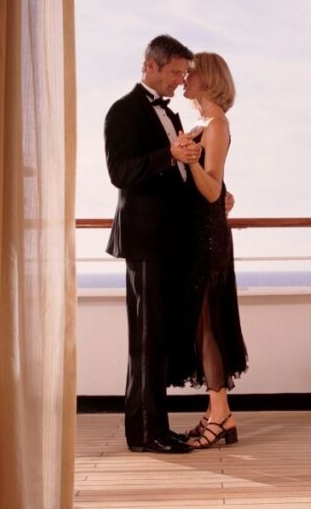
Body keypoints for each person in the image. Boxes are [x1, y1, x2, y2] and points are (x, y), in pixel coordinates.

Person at [104, 34, 201, 454]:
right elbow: (120, 172)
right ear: (151, 66)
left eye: (184, 73)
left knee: (159, 338)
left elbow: (178, 177)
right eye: (176, 72)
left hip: (168, 239)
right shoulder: (123, 111)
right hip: (144, 240)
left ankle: (157, 428)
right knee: (146, 339)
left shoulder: (172, 116)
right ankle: (144, 434)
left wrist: (216, 192)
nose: (181, 81)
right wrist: (169, 155)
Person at [174, 52, 249, 449]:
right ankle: (218, 411)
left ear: (210, 78)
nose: (185, 76)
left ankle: (220, 414)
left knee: (209, 324)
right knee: (201, 324)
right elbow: (216, 189)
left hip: (208, 237)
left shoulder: (217, 124)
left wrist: (189, 160)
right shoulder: (200, 124)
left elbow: (211, 189)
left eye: (192, 71)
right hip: (197, 233)